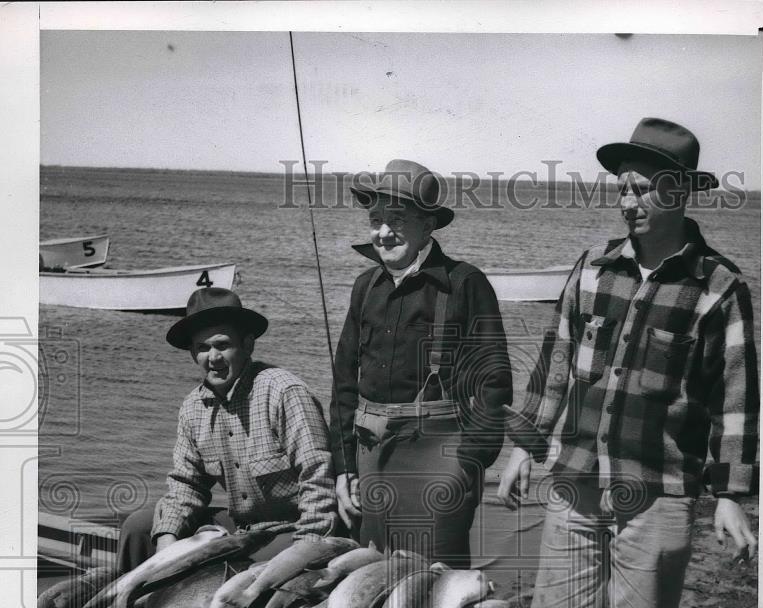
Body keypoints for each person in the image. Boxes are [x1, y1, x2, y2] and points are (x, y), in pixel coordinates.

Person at [497, 118, 759, 608]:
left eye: (644, 190)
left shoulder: (719, 286)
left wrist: (731, 495)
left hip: (662, 491)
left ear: (679, 196)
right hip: (577, 479)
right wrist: (524, 444)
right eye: (624, 188)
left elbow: (735, 397)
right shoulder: (592, 268)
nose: (629, 202)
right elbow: (554, 366)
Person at [330, 158, 513, 568]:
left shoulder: (466, 283)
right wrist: (343, 467)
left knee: (433, 582)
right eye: (375, 219)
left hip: (440, 459)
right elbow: (343, 382)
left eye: (397, 218)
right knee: (370, 579)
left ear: (427, 225)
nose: (383, 231)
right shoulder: (365, 287)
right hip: (370, 456)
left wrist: (468, 464)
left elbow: (494, 382)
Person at [116, 287, 339, 572]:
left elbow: (319, 479)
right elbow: (186, 486)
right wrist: (166, 540)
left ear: (248, 345)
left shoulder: (284, 392)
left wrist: (306, 550)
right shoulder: (192, 408)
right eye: (202, 348)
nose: (213, 357)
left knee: (228, 563)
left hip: (289, 531)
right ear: (192, 354)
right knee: (139, 528)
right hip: (240, 529)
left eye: (222, 345)